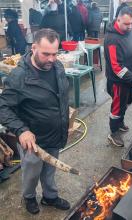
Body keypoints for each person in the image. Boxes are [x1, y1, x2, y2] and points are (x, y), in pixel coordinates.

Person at [0, 28, 70, 214]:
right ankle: (29, 197)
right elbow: (3, 107)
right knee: (31, 173)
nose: (51, 59)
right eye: (46, 54)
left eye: (55, 53)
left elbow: (61, 95)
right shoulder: (19, 77)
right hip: (33, 142)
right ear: (34, 48)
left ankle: (50, 196)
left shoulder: (57, 67)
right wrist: (21, 130)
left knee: (50, 170)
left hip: (55, 135)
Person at [104, 6, 132, 147]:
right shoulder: (112, 39)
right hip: (119, 82)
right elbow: (116, 68)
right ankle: (114, 132)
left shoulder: (129, 29)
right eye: (126, 24)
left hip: (131, 79)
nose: (130, 27)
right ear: (118, 20)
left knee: (127, 102)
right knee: (117, 107)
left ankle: (120, 121)